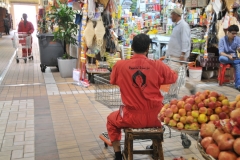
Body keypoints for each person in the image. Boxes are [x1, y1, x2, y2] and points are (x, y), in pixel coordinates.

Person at [107, 34, 178, 160]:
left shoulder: (120, 66)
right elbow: (173, 77)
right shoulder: (158, 65)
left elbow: (113, 80)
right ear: (148, 48)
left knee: (111, 120)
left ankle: (118, 155)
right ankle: (154, 146)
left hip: (131, 118)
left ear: (132, 47)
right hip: (156, 117)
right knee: (162, 115)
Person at [165, 8, 196, 94]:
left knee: (174, 76)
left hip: (178, 56)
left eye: (172, 14)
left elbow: (185, 40)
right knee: (178, 75)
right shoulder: (177, 25)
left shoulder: (183, 25)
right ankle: (191, 86)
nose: (171, 16)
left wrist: (183, 54)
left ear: (176, 15)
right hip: (174, 55)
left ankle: (172, 95)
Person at [218, 25, 240, 91]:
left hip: (234, 57)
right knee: (221, 58)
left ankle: (238, 85)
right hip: (226, 57)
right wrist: (228, 56)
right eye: (233, 33)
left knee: (238, 66)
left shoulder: (238, 39)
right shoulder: (222, 40)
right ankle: (237, 61)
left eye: (236, 33)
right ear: (228, 32)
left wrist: (239, 49)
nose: (234, 35)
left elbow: (238, 50)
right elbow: (221, 52)